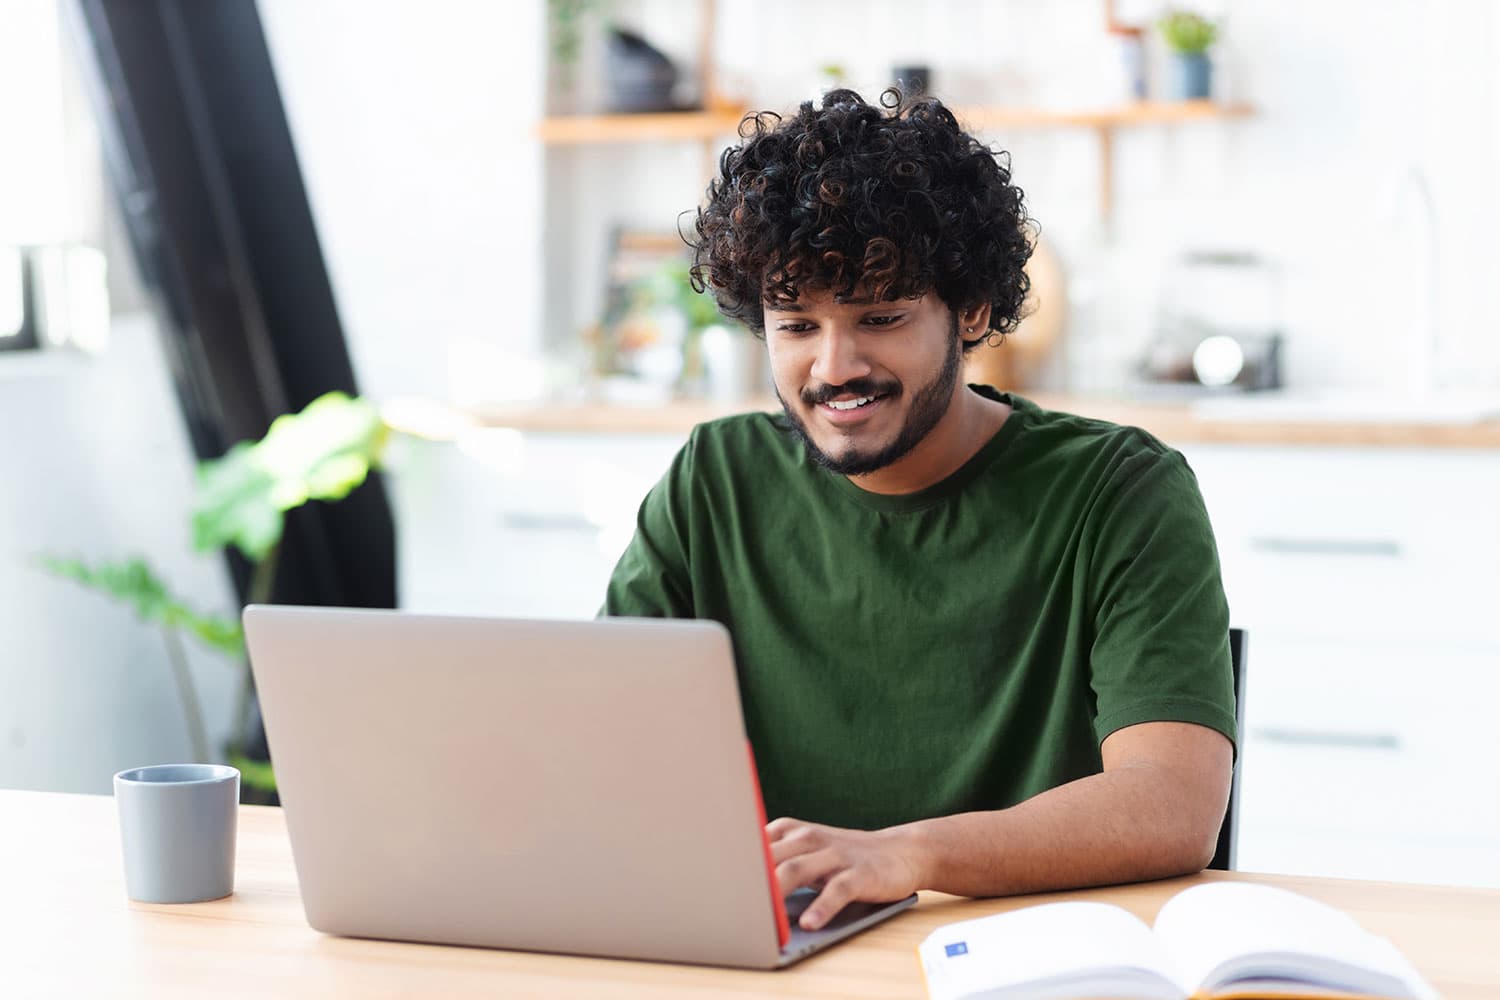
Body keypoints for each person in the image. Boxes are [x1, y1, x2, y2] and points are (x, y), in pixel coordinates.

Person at [601, 89, 1235, 932]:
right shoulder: (713, 481)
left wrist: (907, 856)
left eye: (881, 318)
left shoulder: (1121, 492)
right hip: (784, 955)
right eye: (795, 325)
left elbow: (1170, 807)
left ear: (971, 311)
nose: (834, 368)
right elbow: (600, 751)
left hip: (1024, 956)